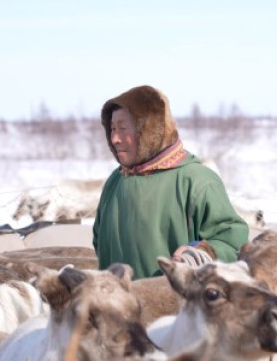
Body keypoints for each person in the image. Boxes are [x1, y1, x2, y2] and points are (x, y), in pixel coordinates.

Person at [92, 85, 249, 279]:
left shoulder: (197, 181)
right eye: (112, 129)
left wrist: (200, 254)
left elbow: (232, 242)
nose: (115, 138)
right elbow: (100, 244)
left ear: (149, 131)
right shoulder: (115, 182)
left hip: (173, 306)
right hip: (117, 305)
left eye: (123, 129)